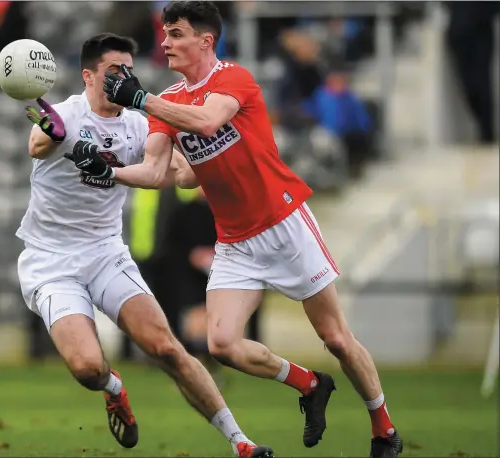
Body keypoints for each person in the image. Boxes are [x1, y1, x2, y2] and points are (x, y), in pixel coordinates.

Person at [61, 4, 403, 458]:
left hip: (284, 223)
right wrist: (108, 170)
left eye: (176, 34)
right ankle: (310, 383)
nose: (165, 43)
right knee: (222, 344)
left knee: (336, 338)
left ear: (206, 41)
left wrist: (141, 101)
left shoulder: (232, 78)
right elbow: (157, 172)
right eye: (164, 33)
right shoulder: (169, 100)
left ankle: (384, 430)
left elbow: (207, 122)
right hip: (236, 240)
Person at [16, 32, 273, 458]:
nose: (125, 78)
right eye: (115, 71)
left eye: (130, 70)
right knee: (87, 368)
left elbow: (181, 172)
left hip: (105, 253)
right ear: (88, 76)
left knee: (167, 348)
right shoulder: (63, 115)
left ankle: (240, 443)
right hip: (50, 261)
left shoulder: (140, 123)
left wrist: (215, 164)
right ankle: (113, 386)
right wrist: (59, 134)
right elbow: (38, 143)